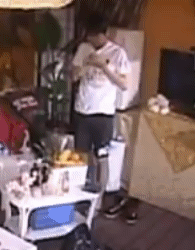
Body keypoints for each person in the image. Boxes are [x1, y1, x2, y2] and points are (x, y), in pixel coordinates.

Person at [71, 12, 138, 224]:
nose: (91, 40)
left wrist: (103, 67)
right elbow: (73, 76)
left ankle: (98, 201)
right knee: (81, 156)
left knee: (102, 156)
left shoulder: (118, 53)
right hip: (83, 111)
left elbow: (124, 84)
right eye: (89, 36)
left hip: (103, 114)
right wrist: (85, 66)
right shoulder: (84, 49)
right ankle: (79, 194)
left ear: (104, 33)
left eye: (95, 36)